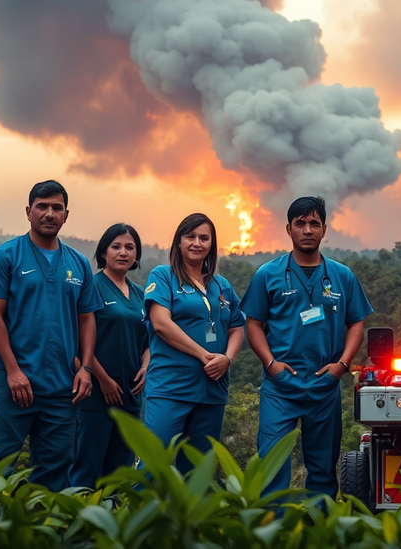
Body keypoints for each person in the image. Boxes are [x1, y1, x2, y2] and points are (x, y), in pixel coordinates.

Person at [0, 180, 102, 490]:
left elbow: (87, 319)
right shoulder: (6, 256)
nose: (49, 213)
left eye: (56, 208)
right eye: (42, 207)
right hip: (13, 383)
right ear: (28, 212)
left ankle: (42, 535)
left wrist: (85, 369)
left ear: (66, 215)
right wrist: (13, 371)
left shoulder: (78, 264)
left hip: (62, 388)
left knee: (55, 472)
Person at [241, 196, 373, 497]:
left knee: (323, 469)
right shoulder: (267, 274)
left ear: (324, 229)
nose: (308, 230)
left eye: (314, 223)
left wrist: (341, 366)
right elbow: (253, 324)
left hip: (324, 385)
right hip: (280, 387)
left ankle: (319, 532)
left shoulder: (342, 275)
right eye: (300, 223)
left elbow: (356, 323)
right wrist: (272, 366)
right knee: (271, 466)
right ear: (289, 229)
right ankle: (271, 532)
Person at [141, 214, 244, 472]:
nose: (197, 243)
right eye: (190, 236)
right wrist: (204, 355)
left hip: (212, 391)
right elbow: (161, 324)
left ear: (212, 244)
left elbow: (237, 327)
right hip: (170, 388)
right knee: (153, 466)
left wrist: (227, 359)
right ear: (179, 242)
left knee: (199, 472)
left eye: (204, 238)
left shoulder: (222, 286)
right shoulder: (164, 276)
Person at [69, 224, 150, 487]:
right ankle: (80, 523)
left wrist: (147, 364)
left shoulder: (140, 294)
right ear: (103, 252)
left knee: (120, 470)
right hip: (96, 394)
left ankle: (113, 524)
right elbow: (79, 339)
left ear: (136, 255)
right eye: (116, 246)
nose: (123, 252)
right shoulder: (91, 286)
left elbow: (151, 337)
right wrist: (101, 378)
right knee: (88, 466)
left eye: (129, 247)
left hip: (130, 394)